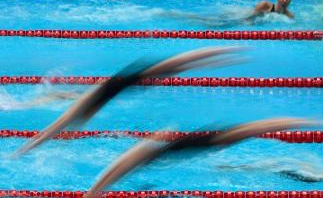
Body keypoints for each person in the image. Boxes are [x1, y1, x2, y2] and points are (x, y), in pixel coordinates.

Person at [68, 117, 320, 198]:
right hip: (183, 148)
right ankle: (297, 121)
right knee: (242, 132)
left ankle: (297, 121)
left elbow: (105, 181)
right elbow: (105, 180)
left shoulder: (132, 159)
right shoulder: (140, 154)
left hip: (185, 147)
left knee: (243, 132)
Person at [14, 46, 244, 157]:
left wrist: (20, 153)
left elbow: (48, 132)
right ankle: (220, 52)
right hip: (116, 86)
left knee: (176, 64)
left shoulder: (82, 108)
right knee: (177, 65)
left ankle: (224, 49)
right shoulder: (84, 109)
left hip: (116, 85)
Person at [218, 144, 323, 182]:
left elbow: (319, 178)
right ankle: (237, 168)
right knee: (279, 163)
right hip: (308, 175)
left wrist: (299, 170)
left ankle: (237, 168)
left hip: (306, 179)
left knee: (270, 168)